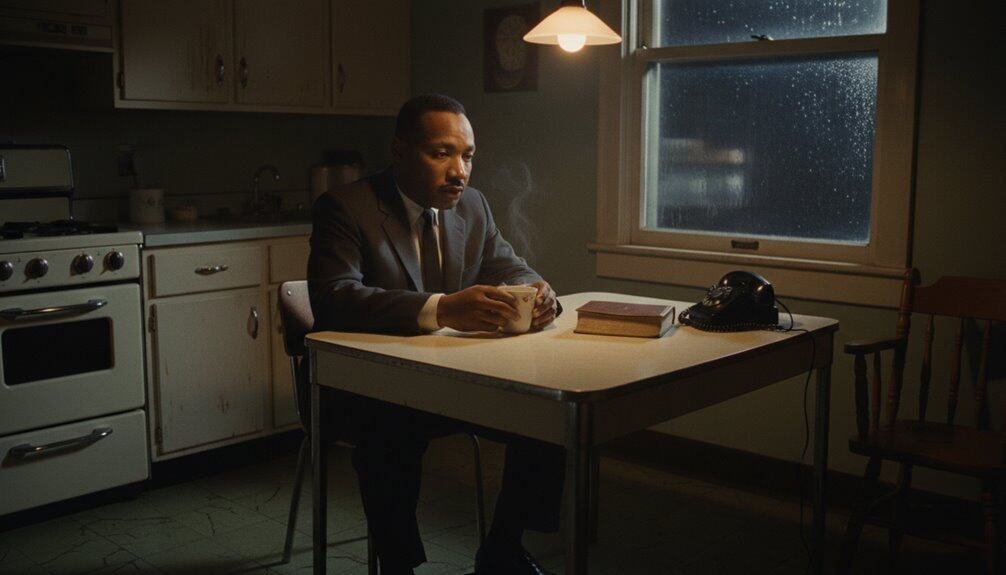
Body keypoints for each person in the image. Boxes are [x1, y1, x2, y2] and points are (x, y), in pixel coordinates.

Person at [307, 94, 564, 575]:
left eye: (467, 155)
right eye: (440, 153)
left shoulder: (473, 206)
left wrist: (539, 290)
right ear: (400, 151)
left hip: (448, 381)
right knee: (388, 433)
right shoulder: (344, 207)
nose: (459, 172)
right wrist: (443, 308)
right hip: (365, 386)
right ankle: (399, 566)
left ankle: (503, 547)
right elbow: (334, 297)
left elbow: (512, 266)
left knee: (549, 413)